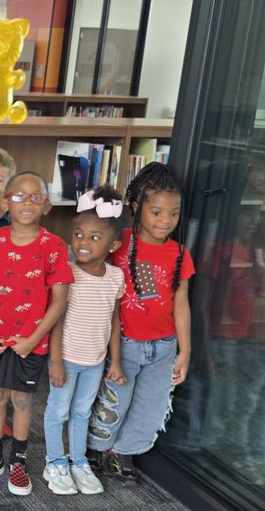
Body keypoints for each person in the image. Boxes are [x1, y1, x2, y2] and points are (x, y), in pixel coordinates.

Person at [0, 171, 73, 496]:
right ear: (5, 201)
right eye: (19, 196)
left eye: (35, 197)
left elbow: (60, 301)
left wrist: (33, 339)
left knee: (23, 400)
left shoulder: (54, 247)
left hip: (31, 343)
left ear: (47, 205)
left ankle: (18, 461)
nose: (27, 202)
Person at [87, 163, 194, 485]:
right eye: (156, 212)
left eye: (173, 214)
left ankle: (124, 453)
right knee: (113, 400)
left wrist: (185, 351)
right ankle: (95, 449)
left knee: (150, 405)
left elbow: (181, 304)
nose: (165, 221)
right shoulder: (118, 242)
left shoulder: (179, 253)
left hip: (164, 346)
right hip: (125, 343)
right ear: (136, 207)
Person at [42, 187, 126, 496]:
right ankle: (55, 461)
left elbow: (114, 320)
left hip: (95, 362)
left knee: (82, 413)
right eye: (78, 234)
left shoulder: (116, 277)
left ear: (113, 245)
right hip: (66, 359)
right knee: (58, 412)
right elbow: (56, 319)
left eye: (94, 237)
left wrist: (115, 361)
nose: (83, 242)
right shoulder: (68, 273)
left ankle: (78, 461)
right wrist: (55, 362)